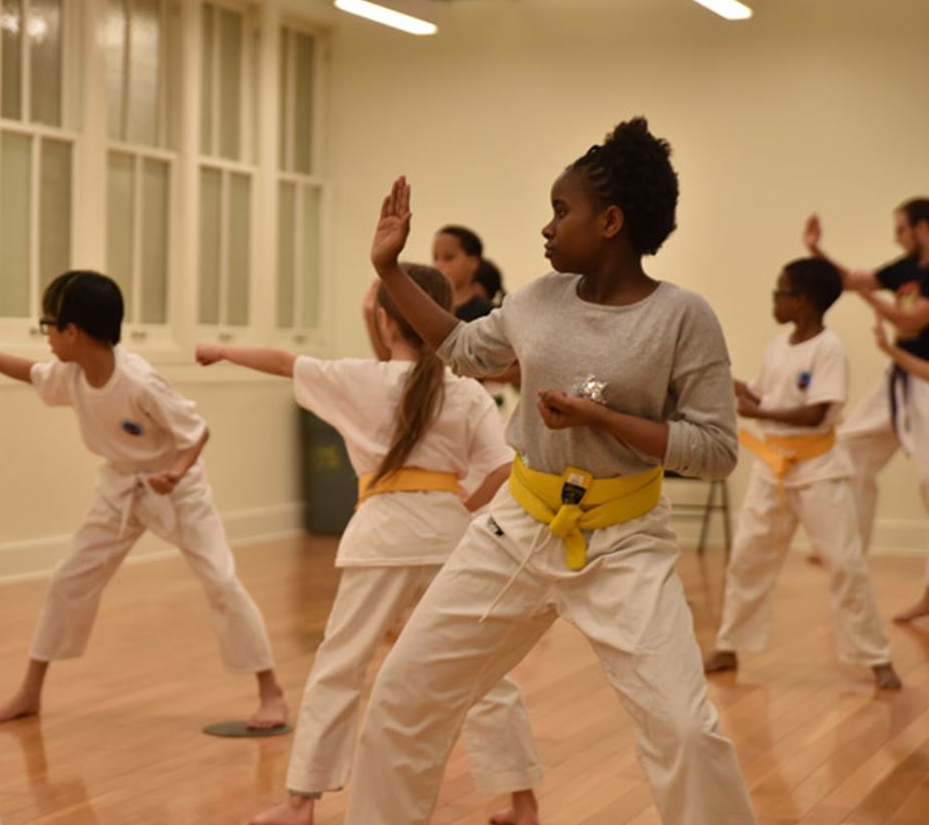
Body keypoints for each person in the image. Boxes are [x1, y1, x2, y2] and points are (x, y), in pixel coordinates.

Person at [343, 118, 756, 825]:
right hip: (518, 526)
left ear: (612, 221)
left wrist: (605, 419)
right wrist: (387, 272)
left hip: (625, 540)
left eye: (562, 211)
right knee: (403, 697)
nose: (546, 226)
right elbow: (465, 348)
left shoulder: (684, 318)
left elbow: (716, 450)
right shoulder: (537, 299)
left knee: (686, 732)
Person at [198, 264, 541, 825]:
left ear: (384, 323)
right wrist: (462, 503)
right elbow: (506, 469)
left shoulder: (359, 378)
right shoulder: (466, 391)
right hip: (450, 540)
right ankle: (522, 803)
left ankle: (300, 802)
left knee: (341, 667)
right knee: (480, 673)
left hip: (380, 539)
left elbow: (285, 363)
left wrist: (221, 350)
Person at [0, 270, 288, 728]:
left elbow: (195, 433)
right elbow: (31, 373)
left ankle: (271, 692)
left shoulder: (140, 382)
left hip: (178, 491)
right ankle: (30, 691)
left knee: (221, 580)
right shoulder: (73, 374)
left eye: (48, 325)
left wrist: (175, 473)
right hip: (119, 487)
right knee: (68, 579)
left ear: (72, 332)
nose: (47, 338)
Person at [702, 258, 900, 689]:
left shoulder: (828, 348)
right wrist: (720, 376)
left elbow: (815, 414)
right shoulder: (779, 347)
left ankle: (876, 656)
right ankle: (729, 644)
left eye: (781, 292)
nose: (774, 299)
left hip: (819, 470)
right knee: (747, 559)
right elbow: (758, 393)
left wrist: (758, 410)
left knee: (845, 563)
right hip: (772, 467)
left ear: (803, 301)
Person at [805, 199, 929, 621]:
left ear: (922, 227)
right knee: (851, 447)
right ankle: (847, 550)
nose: (897, 237)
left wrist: (879, 315)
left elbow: (912, 321)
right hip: (899, 377)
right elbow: (856, 280)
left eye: (901, 229)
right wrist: (818, 252)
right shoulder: (905, 269)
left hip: (926, 379)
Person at [434, 225, 495, 320]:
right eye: (436, 258)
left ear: (473, 263)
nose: (438, 265)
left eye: (448, 257)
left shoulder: (486, 313)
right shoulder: (431, 307)